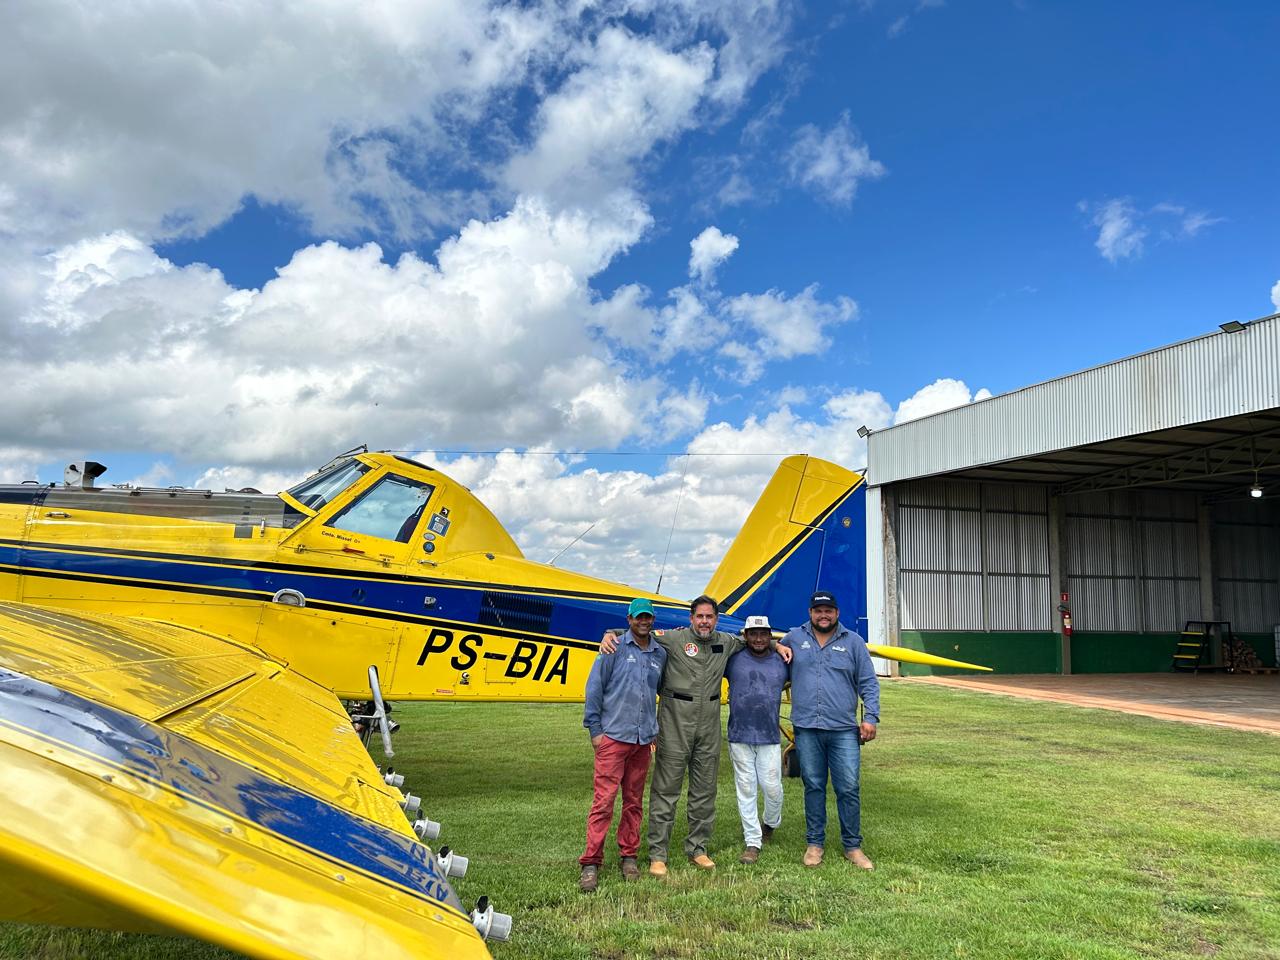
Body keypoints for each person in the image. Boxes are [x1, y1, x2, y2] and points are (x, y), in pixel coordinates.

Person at [600, 595, 792, 876]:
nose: (704, 622)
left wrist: (777, 644)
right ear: (691, 618)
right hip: (675, 720)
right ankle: (658, 853)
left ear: (716, 619)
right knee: (666, 789)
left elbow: (754, 641)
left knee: (704, 790)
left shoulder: (725, 641)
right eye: (699, 616)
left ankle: (698, 848)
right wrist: (610, 633)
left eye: (709, 617)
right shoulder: (673, 638)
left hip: (708, 722)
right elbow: (640, 631)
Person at [779, 590, 880, 870]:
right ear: (810, 613)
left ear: (837, 613)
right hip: (807, 728)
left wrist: (870, 717)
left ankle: (853, 846)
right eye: (818, 611)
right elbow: (772, 647)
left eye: (828, 611)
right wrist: (777, 647)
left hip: (843, 729)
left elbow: (868, 682)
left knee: (848, 787)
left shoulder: (854, 642)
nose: (823, 615)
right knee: (813, 785)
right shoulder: (794, 638)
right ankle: (815, 844)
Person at [578, 598, 667, 893]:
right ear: (629, 619)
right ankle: (591, 862)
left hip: (642, 741)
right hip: (614, 737)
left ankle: (629, 856)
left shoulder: (659, 653)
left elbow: (657, 690)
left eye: (648, 617)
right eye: (638, 617)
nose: (643, 621)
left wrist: (653, 731)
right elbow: (594, 688)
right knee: (603, 802)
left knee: (633, 802)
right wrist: (595, 730)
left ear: (652, 620)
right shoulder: (612, 648)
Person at [725, 614, 789, 864]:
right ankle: (753, 841)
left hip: (769, 735)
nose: (759, 638)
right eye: (753, 634)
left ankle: (770, 823)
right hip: (739, 734)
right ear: (746, 635)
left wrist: (778, 646)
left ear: (770, 635)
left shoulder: (783, 660)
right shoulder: (732, 658)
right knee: (746, 788)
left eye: (764, 634)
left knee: (773, 788)